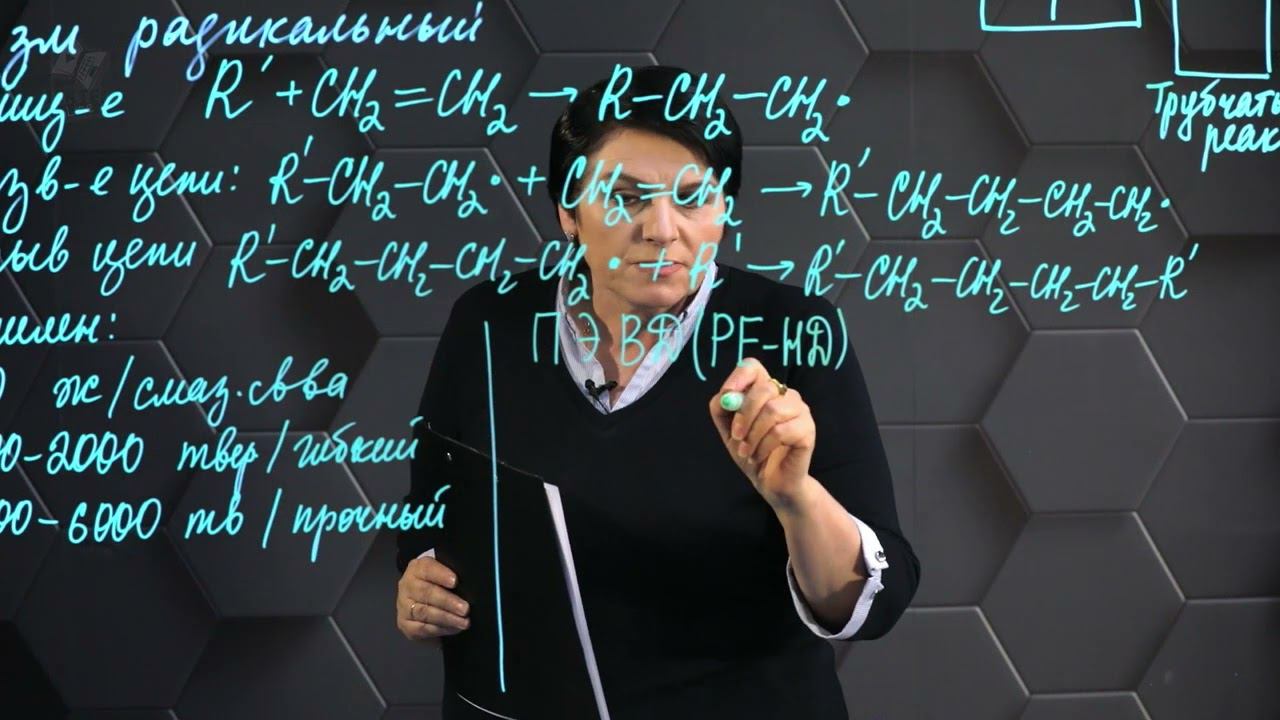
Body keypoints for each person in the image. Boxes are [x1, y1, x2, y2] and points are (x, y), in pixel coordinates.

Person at [395, 64, 920, 719]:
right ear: (568, 213)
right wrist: (420, 580)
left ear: (724, 210)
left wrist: (795, 498)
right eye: (626, 197)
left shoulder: (796, 332)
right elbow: (432, 510)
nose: (663, 229)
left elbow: (877, 601)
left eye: (693, 198)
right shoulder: (488, 323)